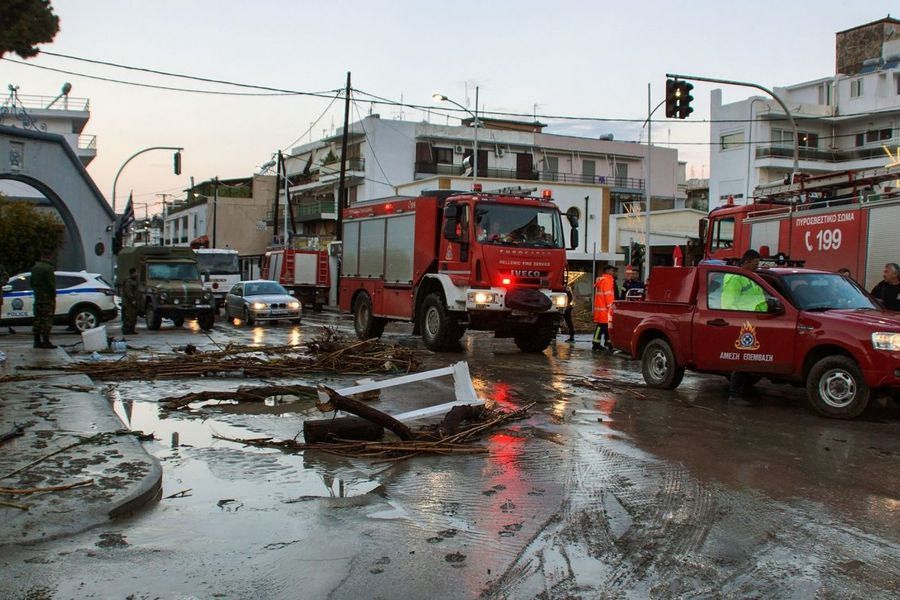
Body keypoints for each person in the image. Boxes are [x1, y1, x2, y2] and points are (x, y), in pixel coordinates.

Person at [720, 249, 765, 406]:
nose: (757, 267)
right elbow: (729, 304)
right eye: (755, 264)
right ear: (746, 262)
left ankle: (740, 390)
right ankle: (734, 395)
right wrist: (738, 322)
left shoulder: (751, 278)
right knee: (742, 359)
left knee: (748, 358)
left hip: (756, 322)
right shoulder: (735, 279)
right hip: (742, 324)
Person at [30, 250, 57, 349]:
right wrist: (53, 296)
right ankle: (46, 341)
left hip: (38, 297)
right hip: (47, 299)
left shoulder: (35, 268)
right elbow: (51, 285)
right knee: (47, 319)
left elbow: (32, 283)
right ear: (49, 256)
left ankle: (36, 341)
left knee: (38, 319)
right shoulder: (49, 268)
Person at [592, 266, 616, 351]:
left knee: (605, 327)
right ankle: (596, 344)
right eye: (612, 271)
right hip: (605, 310)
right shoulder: (607, 281)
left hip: (602, 309)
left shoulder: (603, 280)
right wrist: (611, 308)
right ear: (607, 271)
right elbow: (608, 295)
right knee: (602, 327)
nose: (614, 272)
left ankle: (605, 344)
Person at [121, 267, 140, 335]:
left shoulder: (134, 280)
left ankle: (131, 330)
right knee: (128, 316)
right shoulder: (128, 281)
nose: (137, 274)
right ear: (133, 273)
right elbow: (128, 292)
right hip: (128, 302)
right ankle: (126, 330)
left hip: (133, 302)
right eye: (136, 272)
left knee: (133, 316)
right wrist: (132, 299)